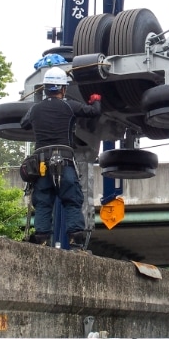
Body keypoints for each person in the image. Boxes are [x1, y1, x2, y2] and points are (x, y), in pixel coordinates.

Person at [20, 66, 101, 249]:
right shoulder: (69, 106)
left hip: (40, 165)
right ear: (63, 89)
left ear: (46, 88)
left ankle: (41, 240)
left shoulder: (35, 109)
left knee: (42, 202)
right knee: (72, 199)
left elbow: (24, 123)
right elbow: (93, 112)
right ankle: (76, 242)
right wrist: (96, 100)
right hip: (64, 163)